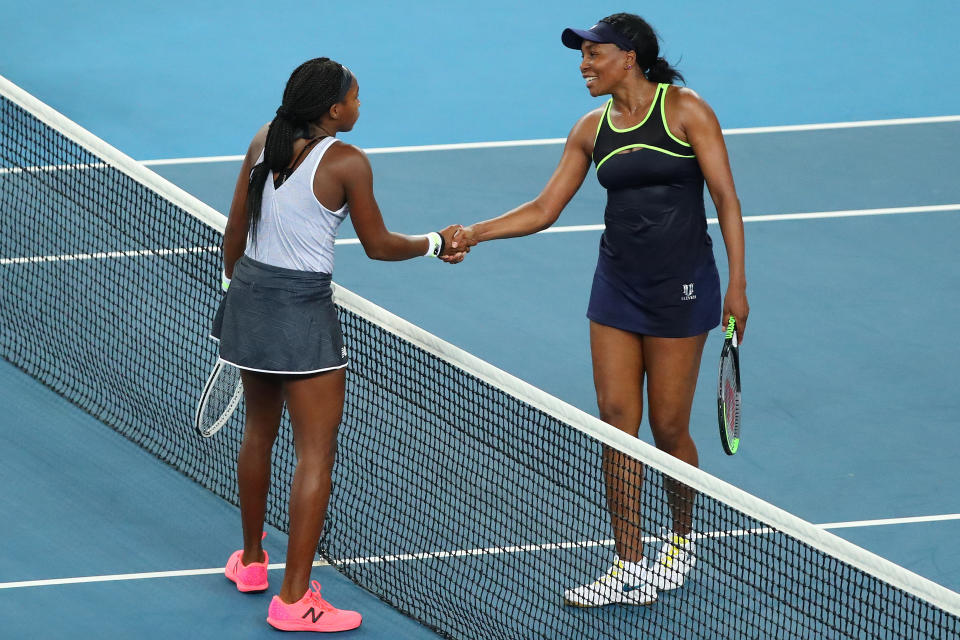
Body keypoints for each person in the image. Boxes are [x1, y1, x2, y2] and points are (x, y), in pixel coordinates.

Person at [450, 14, 748, 606]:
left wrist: (738, 286)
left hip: (683, 287)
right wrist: (475, 232)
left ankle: (681, 542)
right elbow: (543, 207)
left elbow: (726, 200)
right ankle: (628, 560)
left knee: (668, 428)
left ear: (629, 57)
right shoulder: (590, 128)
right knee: (615, 423)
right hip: (617, 287)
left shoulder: (687, 112)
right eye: (581, 55)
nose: (584, 64)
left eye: (593, 53)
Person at [212, 57, 468, 632]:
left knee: (258, 433)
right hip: (300, 313)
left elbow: (235, 230)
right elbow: (378, 245)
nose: (359, 106)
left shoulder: (263, 139)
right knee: (314, 454)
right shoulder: (346, 161)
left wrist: (232, 299)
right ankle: (294, 599)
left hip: (250, 296)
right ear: (334, 110)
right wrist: (434, 242)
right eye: (355, 98)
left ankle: (252, 563)